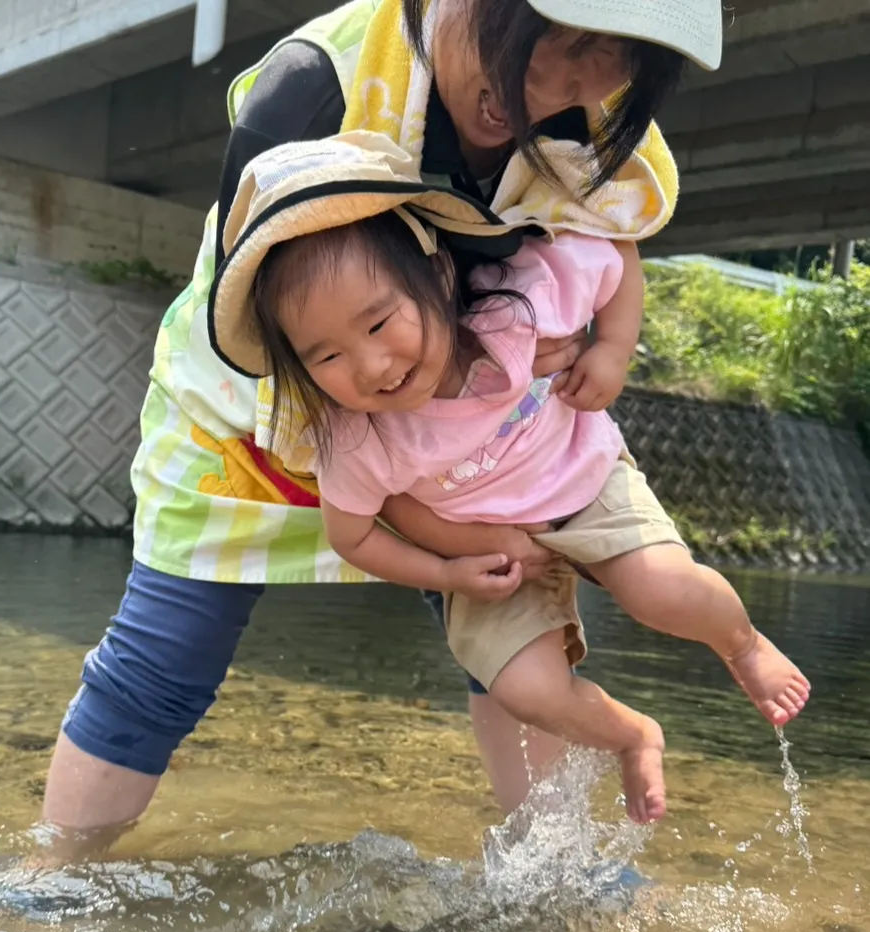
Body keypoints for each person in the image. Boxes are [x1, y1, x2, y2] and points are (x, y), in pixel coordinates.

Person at [41, 0, 727, 857]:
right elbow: (285, 337)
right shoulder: (313, 89)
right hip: (257, 408)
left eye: (612, 57)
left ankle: (556, 872)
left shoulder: (597, 132)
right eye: (549, 39)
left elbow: (596, 256)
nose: (556, 88)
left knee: (513, 626)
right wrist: (435, 531)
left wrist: (584, 337)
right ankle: (57, 878)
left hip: (462, 419)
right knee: (163, 661)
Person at [208, 131, 812, 826]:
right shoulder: (354, 436)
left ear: (436, 280)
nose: (372, 366)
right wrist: (448, 576)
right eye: (328, 356)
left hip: (583, 478)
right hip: (481, 554)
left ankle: (741, 644)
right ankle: (633, 734)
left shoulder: (513, 312)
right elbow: (353, 538)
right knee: (527, 689)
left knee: (660, 589)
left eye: (379, 322)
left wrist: (613, 349)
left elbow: (613, 245)